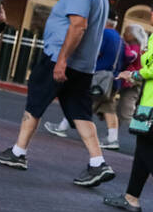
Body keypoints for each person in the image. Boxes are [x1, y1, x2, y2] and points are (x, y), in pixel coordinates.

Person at [0, 0, 114, 187]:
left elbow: (78, 26)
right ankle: (98, 162)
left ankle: (18, 152)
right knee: (79, 112)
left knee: (36, 101)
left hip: (61, 59)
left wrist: (62, 61)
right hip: (83, 66)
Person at [45, 16, 124, 148]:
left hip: (98, 76)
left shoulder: (104, 34)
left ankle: (62, 127)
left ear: (105, 21)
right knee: (108, 108)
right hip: (112, 79)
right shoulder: (119, 38)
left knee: (79, 102)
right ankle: (113, 138)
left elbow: (96, 52)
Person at [104, 25, 153, 212]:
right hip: (146, 103)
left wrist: (134, 74)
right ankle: (131, 197)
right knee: (142, 148)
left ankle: (131, 197)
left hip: (150, 104)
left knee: (146, 150)